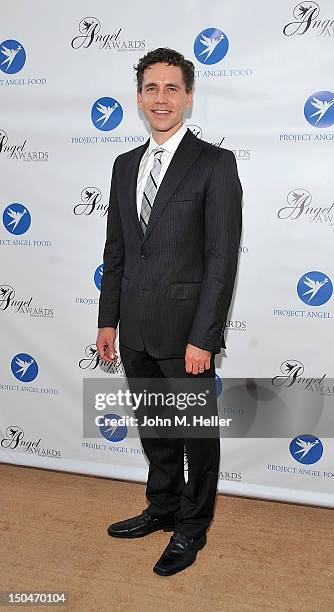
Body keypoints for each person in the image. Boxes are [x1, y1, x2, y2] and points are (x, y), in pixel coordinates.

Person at [96, 47, 242, 576]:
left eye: (172, 89)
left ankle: (193, 525)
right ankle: (162, 506)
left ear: (189, 96)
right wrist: (107, 319)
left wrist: (205, 336)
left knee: (197, 436)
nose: (161, 99)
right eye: (152, 89)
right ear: (139, 97)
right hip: (134, 328)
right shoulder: (123, 165)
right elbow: (116, 249)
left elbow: (221, 259)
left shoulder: (214, 164)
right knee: (155, 428)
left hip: (187, 336)